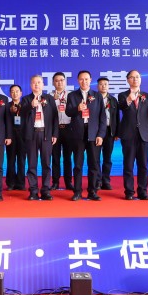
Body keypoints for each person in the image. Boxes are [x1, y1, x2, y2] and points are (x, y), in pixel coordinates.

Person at [65, 71, 107, 201]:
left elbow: (102, 117)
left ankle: (92, 191)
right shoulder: (72, 95)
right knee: (78, 164)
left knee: (93, 164)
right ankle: (77, 191)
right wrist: (77, 109)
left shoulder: (97, 96)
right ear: (78, 80)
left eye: (86, 79)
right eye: (81, 79)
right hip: (78, 134)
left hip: (93, 134)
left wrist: (101, 135)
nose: (84, 81)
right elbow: (68, 112)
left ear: (90, 80)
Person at [117, 70, 148, 200]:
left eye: (137, 77)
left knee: (143, 165)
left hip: (144, 134)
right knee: (128, 165)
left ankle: (143, 191)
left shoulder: (147, 96)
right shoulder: (122, 95)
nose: (135, 79)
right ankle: (129, 192)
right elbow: (122, 107)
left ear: (141, 79)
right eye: (132, 77)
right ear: (128, 80)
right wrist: (129, 99)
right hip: (128, 134)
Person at [19, 75, 59, 200]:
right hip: (31, 134)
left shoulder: (49, 98)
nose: (36, 84)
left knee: (46, 163)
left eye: (39, 82)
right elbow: (21, 114)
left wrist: (55, 134)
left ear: (43, 84)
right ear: (31, 85)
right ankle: (33, 191)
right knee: (32, 164)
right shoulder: (26, 99)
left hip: (46, 134)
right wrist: (31, 106)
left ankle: (46, 190)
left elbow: (55, 117)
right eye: (34, 83)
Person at [50, 72, 73, 191]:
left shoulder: (72, 95)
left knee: (67, 157)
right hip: (55, 130)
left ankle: (68, 182)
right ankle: (55, 182)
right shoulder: (49, 96)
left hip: (69, 129)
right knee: (55, 157)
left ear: (65, 81)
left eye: (61, 80)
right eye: (57, 80)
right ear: (53, 82)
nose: (59, 82)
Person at [96, 76, 119, 191]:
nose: (103, 86)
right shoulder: (93, 98)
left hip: (109, 131)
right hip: (96, 132)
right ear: (97, 86)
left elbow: (116, 117)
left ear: (108, 86)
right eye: (101, 84)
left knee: (107, 158)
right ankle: (97, 181)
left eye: (105, 84)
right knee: (95, 158)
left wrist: (117, 132)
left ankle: (106, 180)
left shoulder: (113, 100)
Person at [6, 84, 26, 191]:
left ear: (21, 93)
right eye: (12, 91)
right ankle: (11, 183)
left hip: (23, 136)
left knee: (22, 160)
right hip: (11, 136)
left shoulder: (25, 105)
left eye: (17, 91)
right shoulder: (6, 106)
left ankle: (21, 183)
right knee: (11, 160)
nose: (15, 93)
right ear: (10, 94)